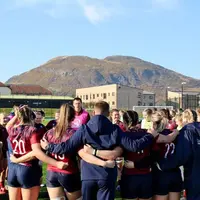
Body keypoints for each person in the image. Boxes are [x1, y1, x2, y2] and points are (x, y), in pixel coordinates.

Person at [41, 101, 158, 200]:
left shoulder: (84, 128)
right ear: (108, 114)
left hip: (88, 174)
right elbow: (134, 146)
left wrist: (48, 147)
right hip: (107, 173)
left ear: (93, 113)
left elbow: (67, 147)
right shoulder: (114, 129)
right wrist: (150, 135)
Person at [6, 105, 67, 200]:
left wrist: (18, 114)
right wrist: (56, 163)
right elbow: (36, 152)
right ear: (32, 118)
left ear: (19, 117)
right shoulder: (32, 131)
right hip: (27, 169)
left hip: (13, 171)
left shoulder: (12, 129)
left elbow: (8, 125)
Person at [158, 109, 200, 200]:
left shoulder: (186, 132)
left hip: (194, 173)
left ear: (184, 119)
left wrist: (164, 165)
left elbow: (182, 156)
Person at [151, 112, 182, 200]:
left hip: (160, 173)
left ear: (154, 123)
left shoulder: (153, 135)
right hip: (175, 172)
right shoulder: (175, 134)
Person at [0, 121, 8, 194]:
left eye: (6, 118)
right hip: (0, 151)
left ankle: (2, 186)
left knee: (4, 169)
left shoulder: (5, 128)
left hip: (5, 151)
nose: (5, 120)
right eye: (3, 118)